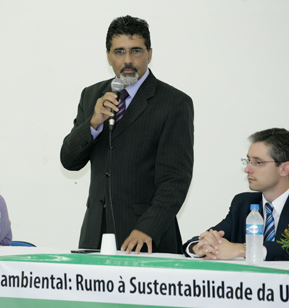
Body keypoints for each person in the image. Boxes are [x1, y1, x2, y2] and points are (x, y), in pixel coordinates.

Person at [60, 15, 194, 254]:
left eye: (136, 51)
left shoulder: (174, 103)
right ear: (109, 55)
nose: (128, 60)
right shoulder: (91, 95)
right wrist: (93, 123)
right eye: (120, 51)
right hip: (95, 234)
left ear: (149, 54)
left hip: (147, 239)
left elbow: (175, 180)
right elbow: (70, 161)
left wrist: (147, 229)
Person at [182, 128, 289, 261]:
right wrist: (199, 247)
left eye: (258, 162)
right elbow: (203, 238)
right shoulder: (243, 203)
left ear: (284, 168)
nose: (247, 169)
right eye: (248, 161)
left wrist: (243, 249)